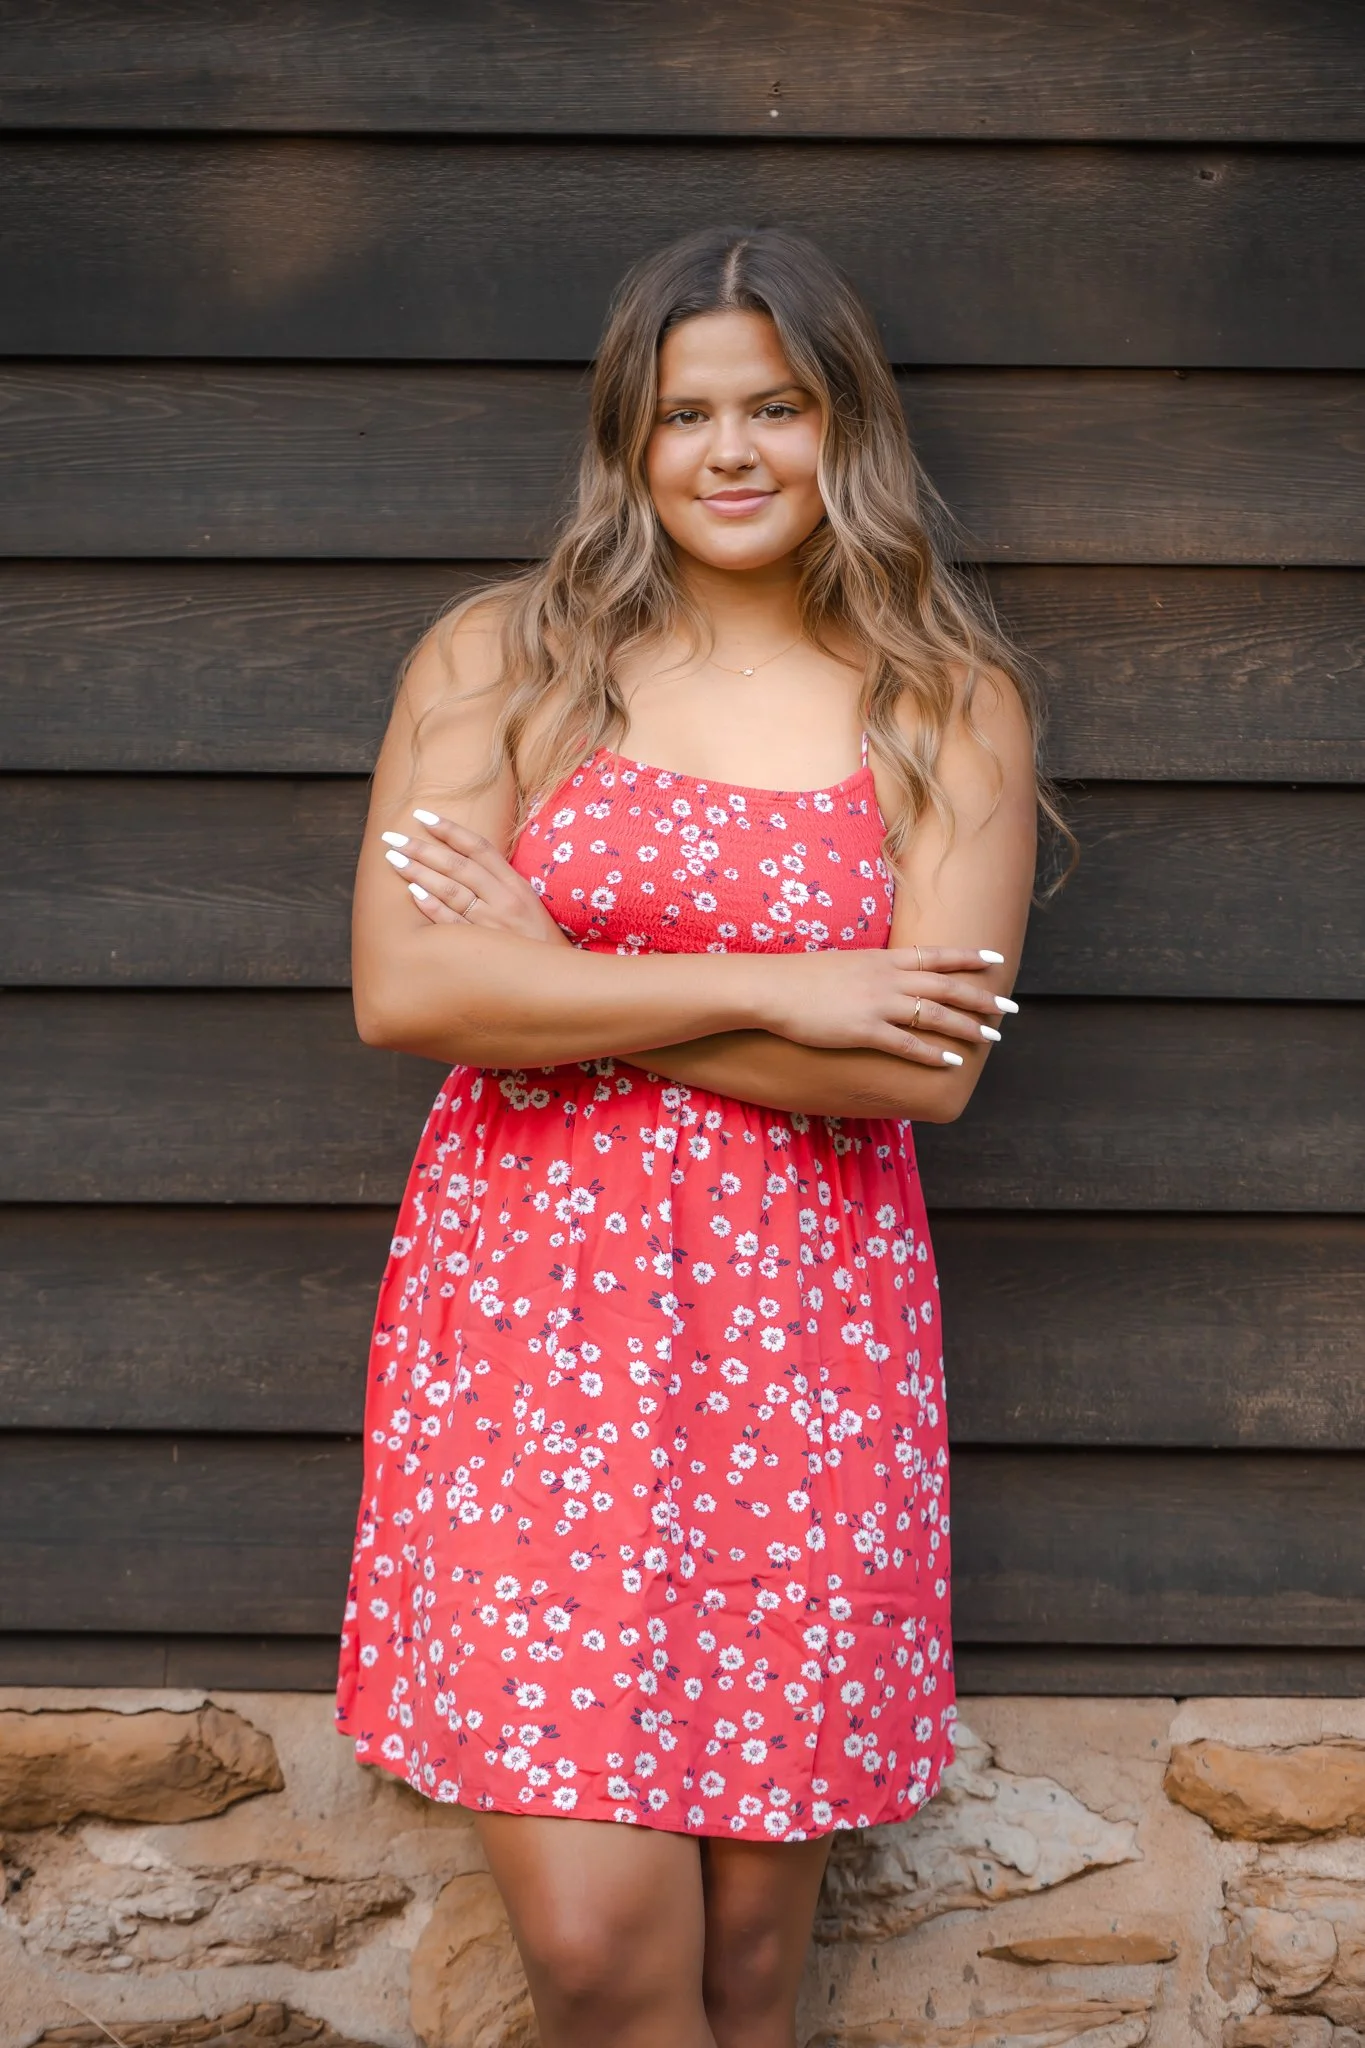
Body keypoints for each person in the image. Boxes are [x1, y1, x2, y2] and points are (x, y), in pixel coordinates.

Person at [337, 224, 1041, 2048]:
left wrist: (568, 969)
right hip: (530, 1340)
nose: (731, 452)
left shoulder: (948, 702)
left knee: (741, 1970)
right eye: (686, 415)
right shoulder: (507, 661)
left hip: (802, 1357)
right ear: (628, 443)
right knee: (600, 1951)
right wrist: (795, 988)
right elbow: (414, 993)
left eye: (777, 408)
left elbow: (927, 1070)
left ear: (844, 430)